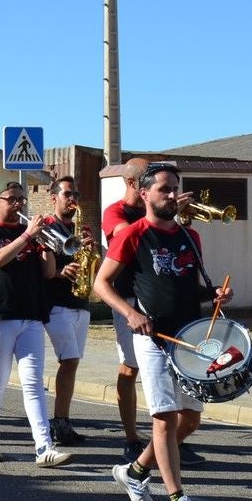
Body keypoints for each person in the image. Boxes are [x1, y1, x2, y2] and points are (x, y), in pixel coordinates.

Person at [96, 163, 232, 501]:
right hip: (152, 338)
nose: (172, 195)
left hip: (189, 338)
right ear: (145, 194)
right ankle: (178, 500)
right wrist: (129, 313)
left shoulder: (191, 237)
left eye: (175, 188)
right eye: (164, 189)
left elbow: (190, 287)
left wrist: (215, 293)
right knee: (165, 418)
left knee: (191, 419)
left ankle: (136, 470)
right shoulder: (132, 234)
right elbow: (101, 284)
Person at [0, 182, 73, 467]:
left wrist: (46, 245)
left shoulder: (29, 233)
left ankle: (44, 447)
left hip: (31, 314)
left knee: (34, 384)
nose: (18, 204)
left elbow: (49, 272)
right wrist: (28, 236)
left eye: (21, 200)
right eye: (11, 199)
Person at [102, 156, 150, 462]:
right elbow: (128, 237)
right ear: (132, 182)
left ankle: (169, 434)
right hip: (127, 299)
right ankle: (132, 437)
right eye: (148, 179)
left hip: (155, 297)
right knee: (130, 367)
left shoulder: (153, 211)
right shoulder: (114, 212)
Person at [43, 177, 93, 446]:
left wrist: (91, 250)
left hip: (80, 303)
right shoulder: (48, 227)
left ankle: (62, 420)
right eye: (67, 194)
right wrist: (60, 272)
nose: (72, 198)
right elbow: (42, 268)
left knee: (72, 363)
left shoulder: (80, 227)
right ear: (54, 198)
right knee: (69, 360)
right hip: (56, 303)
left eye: (75, 193)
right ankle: (58, 422)